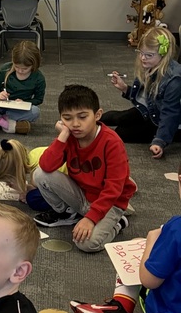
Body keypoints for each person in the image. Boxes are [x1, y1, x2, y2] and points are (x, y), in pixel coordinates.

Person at [69, 157, 181, 313]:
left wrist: (151, 242)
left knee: (138, 246)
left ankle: (120, 311)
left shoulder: (177, 229)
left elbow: (149, 280)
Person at [32, 84, 136, 252]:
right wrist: (63, 136)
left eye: (82, 117)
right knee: (40, 174)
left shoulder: (112, 143)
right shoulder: (69, 136)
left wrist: (91, 218)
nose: (75, 124)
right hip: (83, 195)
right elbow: (46, 165)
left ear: (97, 115)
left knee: (86, 244)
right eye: (67, 118)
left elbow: (113, 189)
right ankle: (68, 214)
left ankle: (118, 223)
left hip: (111, 203)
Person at [104, 28, 181, 159]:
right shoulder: (151, 66)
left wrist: (160, 141)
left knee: (122, 133)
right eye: (141, 53)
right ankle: (89, 119)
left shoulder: (174, 79)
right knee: (119, 118)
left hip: (165, 121)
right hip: (152, 110)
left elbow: (170, 113)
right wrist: (124, 88)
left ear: (163, 54)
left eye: (149, 55)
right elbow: (148, 98)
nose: (143, 58)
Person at [0, 137, 67, 210]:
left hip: (71, 189)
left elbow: (49, 188)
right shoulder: (34, 152)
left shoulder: (36, 175)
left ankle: (66, 208)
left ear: (16, 173)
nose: (7, 185)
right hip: (68, 177)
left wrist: (25, 189)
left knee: (32, 198)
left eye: (8, 181)